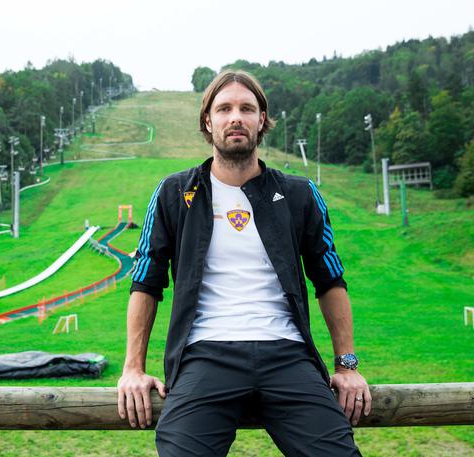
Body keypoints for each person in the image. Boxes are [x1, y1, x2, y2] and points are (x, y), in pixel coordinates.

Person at [117, 70, 371, 457]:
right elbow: (145, 283)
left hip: (287, 354)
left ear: (262, 120)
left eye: (246, 108)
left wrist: (347, 366)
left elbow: (330, 280)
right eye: (224, 108)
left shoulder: (300, 194)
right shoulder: (174, 192)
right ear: (208, 121)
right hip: (205, 354)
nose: (235, 117)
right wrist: (132, 369)